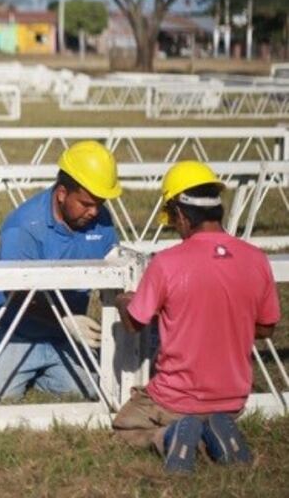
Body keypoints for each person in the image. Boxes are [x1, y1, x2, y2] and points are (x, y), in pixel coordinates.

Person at [113, 160, 280, 474]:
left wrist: (124, 301)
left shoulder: (167, 263)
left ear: (180, 214)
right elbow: (266, 327)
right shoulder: (256, 260)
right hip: (232, 400)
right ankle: (216, 433)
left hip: (176, 401)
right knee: (209, 417)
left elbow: (135, 322)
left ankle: (170, 437)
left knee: (125, 427)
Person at [0, 140, 121, 401]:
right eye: (86, 203)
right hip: (12, 327)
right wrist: (65, 320)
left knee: (89, 388)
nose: (94, 211)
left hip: (64, 335)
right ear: (62, 193)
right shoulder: (24, 226)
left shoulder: (102, 223)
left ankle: (42, 368)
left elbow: (115, 275)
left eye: (100, 203)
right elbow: (15, 292)